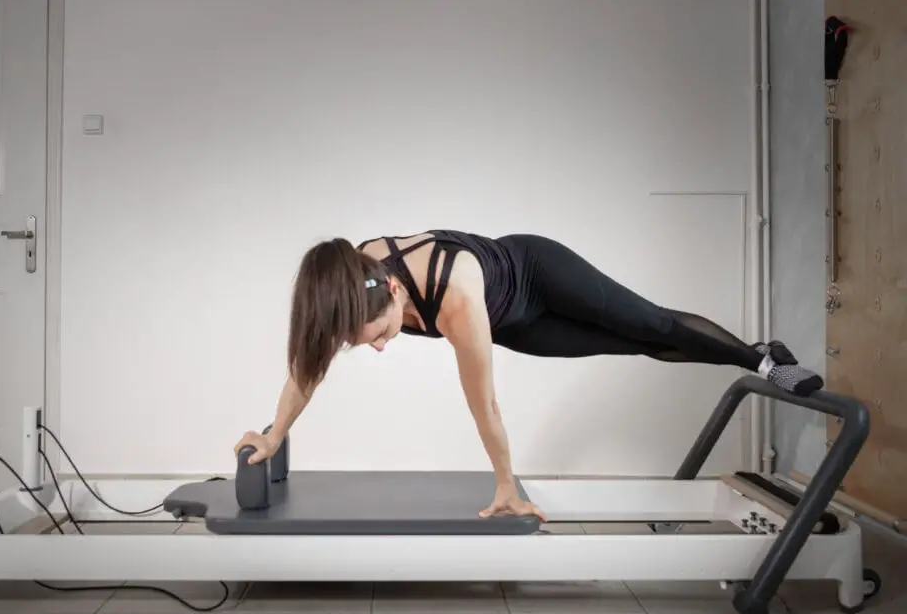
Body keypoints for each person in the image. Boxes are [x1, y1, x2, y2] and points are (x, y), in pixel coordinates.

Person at [232, 229, 823, 522]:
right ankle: (751, 354)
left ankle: (762, 358)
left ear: (392, 290)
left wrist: (506, 486)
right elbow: (308, 366)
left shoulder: (455, 300)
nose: (385, 346)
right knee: (637, 348)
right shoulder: (353, 281)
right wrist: (275, 434)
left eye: (384, 333)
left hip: (537, 272)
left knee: (654, 323)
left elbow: (485, 405)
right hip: (518, 324)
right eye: (372, 345)